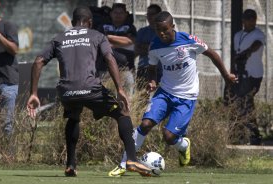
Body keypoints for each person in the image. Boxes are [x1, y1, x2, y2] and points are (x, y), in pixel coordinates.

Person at [108, 11, 237, 177]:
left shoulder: (188, 40)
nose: (162, 34)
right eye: (158, 30)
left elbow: (211, 53)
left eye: (165, 30)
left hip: (187, 97)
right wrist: (152, 81)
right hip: (165, 92)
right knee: (145, 124)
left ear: (172, 27)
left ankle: (183, 145)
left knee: (169, 137)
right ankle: (125, 163)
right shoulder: (155, 45)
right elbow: (152, 68)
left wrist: (226, 75)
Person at [26, 7, 151, 177]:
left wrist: (33, 93)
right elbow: (109, 58)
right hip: (91, 88)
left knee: (73, 116)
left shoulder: (59, 38)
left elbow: (39, 61)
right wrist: (120, 89)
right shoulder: (97, 35)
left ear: (72, 22)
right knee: (122, 112)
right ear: (90, 22)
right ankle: (131, 159)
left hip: (67, 91)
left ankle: (70, 164)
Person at [226, 9, 265, 145]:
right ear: (243, 20)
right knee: (240, 103)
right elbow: (236, 54)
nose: (249, 21)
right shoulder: (238, 35)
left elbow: (257, 45)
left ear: (255, 20)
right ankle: (241, 135)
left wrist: (246, 53)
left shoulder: (258, 34)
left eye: (252, 19)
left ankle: (253, 135)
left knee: (246, 101)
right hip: (239, 73)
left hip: (253, 74)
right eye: (247, 19)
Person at [0, 0, 19, 137]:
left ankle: (8, 157)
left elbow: (14, 50)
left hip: (6, 82)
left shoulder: (8, 25)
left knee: (6, 124)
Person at [98, 3, 137, 96]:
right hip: (104, 70)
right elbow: (99, 41)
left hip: (126, 70)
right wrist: (120, 42)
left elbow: (130, 41)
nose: (118, 15)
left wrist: (109, 37)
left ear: (126, 14)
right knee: (105, 98)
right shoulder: (102, 26)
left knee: (127, 98)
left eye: (121, 13)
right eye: (115, 12)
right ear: (111, 14)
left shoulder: (130, 27)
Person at [135, 4, 162, 90]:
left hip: (160, 69)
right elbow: (136, 50)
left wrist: (145, 47)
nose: (149, 16)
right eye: (148, 14)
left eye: (152, 14)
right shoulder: (142, 31)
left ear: (159, 15)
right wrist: (152, 48)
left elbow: (163, 50)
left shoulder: (163, 32)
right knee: (142, 97)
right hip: (143, 68)